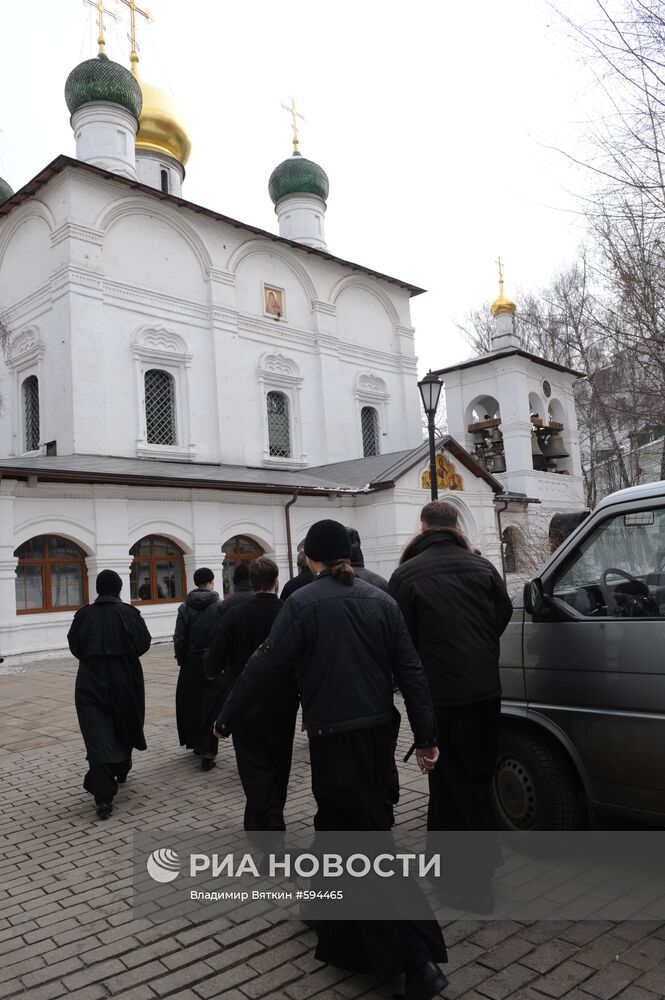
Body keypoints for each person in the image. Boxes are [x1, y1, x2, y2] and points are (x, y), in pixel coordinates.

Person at [215, 519, 448, 1000]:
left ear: (310, 557)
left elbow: (265, 662)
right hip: (378, 735)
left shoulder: (302, 602)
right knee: (338, 826)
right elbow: (412, 670)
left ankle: (416, 958)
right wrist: (426, 737)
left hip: (335, 738)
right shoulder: (380, 600)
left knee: (362, 842)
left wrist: (227, 716)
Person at [388, 500, 513, 910]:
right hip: (485, 691)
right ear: (455, 526)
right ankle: (481, 869)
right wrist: (475, 649)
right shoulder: (483, 567)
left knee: (449, 785)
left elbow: (400, 640)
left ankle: (467, 883)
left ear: (423, 527)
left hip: (440, 696)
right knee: (479, 777)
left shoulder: (406, 575)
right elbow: (500, 615)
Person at [205, 556, 298, 831]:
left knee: (253, 765)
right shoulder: (289, 612)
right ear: (276, 581)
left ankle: (270, 821)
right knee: (279, 762)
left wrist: (216, 672)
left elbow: (213, 661)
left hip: (244, 702)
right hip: (283, 701)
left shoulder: (235, 615)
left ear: (252, 582)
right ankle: (262, 819)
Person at [68, 569, 151, 819]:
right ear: (119, 589)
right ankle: (119, 768)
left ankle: (104, 797)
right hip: (125, 679)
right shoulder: (129, 613)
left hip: (90, 682)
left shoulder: (83, 616)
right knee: (124, 725)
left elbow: (75, 646)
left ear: (98, 589)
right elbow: (143, 643)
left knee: (96, 735)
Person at [173, 567, 224, 771]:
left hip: (191, 663)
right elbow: (223, 636)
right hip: (212, 663)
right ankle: (208, 751)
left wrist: (181, 660)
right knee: (211, 706)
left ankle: (195, 742)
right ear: (211, 582)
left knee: (192, 704)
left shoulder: (185, 607)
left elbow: (179, 637)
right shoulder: (220, 606)